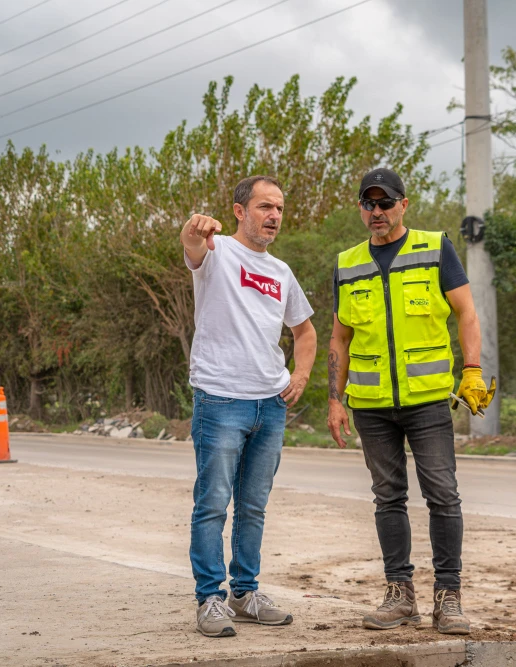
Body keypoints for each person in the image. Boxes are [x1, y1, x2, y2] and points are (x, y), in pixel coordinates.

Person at [325, 168, 496, 635]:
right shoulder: (347, 263)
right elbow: (339, 337)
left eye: (385, 203)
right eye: (368, 204)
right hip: (371, 405)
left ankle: (449, 599)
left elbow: (466, 313)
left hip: (426, 402)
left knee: (443, 494)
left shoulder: (435, 248)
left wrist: (473, 370)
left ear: (404, 203)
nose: (376, 212)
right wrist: (334, 400)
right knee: (388, 497)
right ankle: (400, 596)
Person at [180, 175, 316, 638]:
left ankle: (244, 593)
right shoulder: (216, 253)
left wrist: (299, 375)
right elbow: (192, 244)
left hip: (270, 403)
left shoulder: (280, 272)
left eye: (278, 208)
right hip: (220, 398)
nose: (274, 215)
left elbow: (305, 331)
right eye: (264, 206)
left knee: (253, 506)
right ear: (240, 211)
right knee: (213, 502)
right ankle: (210, 600)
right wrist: (194, 229)